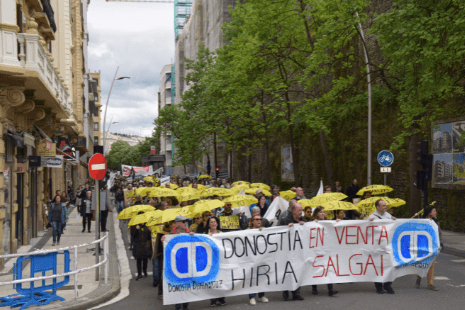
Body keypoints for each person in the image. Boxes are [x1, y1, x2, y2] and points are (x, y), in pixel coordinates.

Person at [369, 199, 396, 294]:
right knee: (379, 266)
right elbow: (366, 230)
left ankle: (388, 285)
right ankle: (379, 286)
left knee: (390, 265)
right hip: (377, 246)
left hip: (388, 246)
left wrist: (394, 221)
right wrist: (369, 222)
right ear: (377, 207)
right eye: (383, 205)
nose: (385, 207)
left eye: (385, 205)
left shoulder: (388, 216)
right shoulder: (372, 217)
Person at [279, 203, 305, 301]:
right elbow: (277, 230)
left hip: (298, 251)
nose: (300, 212)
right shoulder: (285, 219)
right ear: (293, 210)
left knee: (297, 270)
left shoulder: (303, 220)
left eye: (301, 210)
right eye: (299, 210)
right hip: (287, 250)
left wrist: (305, 225)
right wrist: (286, 227)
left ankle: (296, 293)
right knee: (288, 271)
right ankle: (286, 290)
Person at [311, 206, 339, 296]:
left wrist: (337, 223)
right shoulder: (312, 223)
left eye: (323, 212)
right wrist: (313, 224)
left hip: (326, 249)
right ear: (316, 214)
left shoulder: (328, 222)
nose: (323, 213)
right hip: (316, 250)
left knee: (329, 268)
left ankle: (330, 289)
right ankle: (314, 287)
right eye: (320, 212)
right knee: (315, 268)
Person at [416, 204, 443, 291]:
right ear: (429, 213)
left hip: (432, 246)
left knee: (431, 264)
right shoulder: (421, 221)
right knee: (422, 264)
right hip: (422, 246)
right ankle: (418, 278)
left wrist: (441, 244)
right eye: (434, 211)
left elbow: (438, 234)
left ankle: (430, 283)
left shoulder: (436, 222)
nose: (436, 212)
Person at [248, 215, 269, 305]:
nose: (259, 220)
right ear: (252, 221)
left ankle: (261, 295)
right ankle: (252, 297)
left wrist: (265, 230)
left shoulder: (264, 230)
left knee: (261, 276)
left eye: (260, 219)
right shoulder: (248, 231)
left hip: (261, 257)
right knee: (252, 277)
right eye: (256, 219)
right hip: (251, 258)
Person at [205, 216, 226, 306]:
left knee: (221, 279)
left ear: (217, 224)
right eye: (211, 222)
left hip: (220, 260)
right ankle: (213, 299)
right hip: (209, 261)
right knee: (212, 280)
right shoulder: (205, 234)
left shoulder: (221, 233)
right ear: (209, 224)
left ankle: (221, 298)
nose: (213, 223)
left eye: (215, 222)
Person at [153, 221, 175, 297]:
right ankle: (160, 292)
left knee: (164, 274)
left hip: (164, 256)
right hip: (162, 256)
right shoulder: (161, 235)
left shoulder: (170, 235)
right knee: (162, 275)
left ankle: (162, 292)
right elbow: (159, 248)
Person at [132, 215, 153, 281]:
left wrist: (150, 231)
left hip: (145, 247)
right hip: (138, 247)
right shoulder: (135, 226)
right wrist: (136, 230)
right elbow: (133, 236)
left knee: (145, 260)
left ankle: (144, 270)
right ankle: (139, 274)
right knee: (138, 261)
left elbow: (149, 238)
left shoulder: (147, 228)